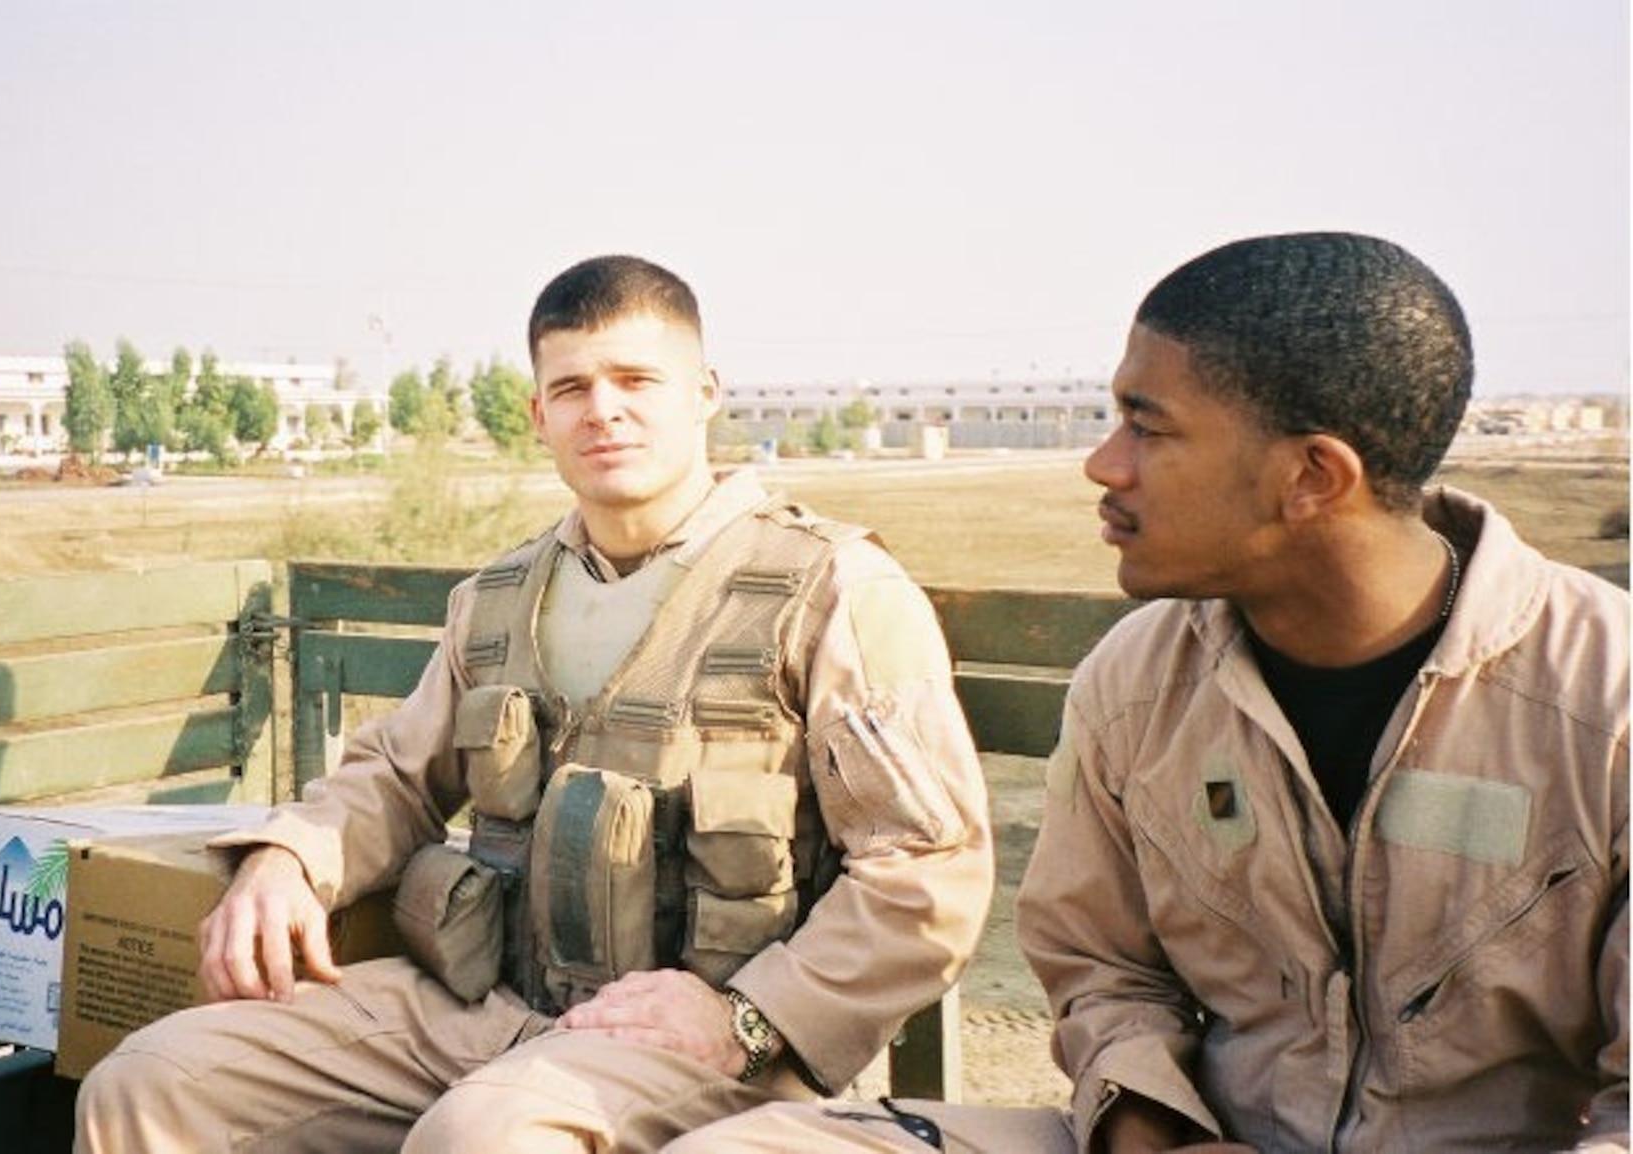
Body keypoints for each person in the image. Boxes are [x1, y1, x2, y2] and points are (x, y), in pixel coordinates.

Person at [667, 231, 1629, 1152]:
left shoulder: (1606, 700)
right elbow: (1102, 971)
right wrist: (1151, 1131)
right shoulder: (1136, 686)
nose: (1103, 463)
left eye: (1147, 426)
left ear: (1311, 477)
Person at [74, 254, 996, 1152]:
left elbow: (926, 871)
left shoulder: (831, 591)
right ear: (537, 413)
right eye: (572, 388)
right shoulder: (498, 600)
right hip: (487, 1009)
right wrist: (288, 858)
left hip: (706, 1043)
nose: (605, 411)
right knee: (154, 1082)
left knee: (487, 1135)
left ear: (706, 392)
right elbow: (398, 778)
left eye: (637, 379)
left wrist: (750, 1019)